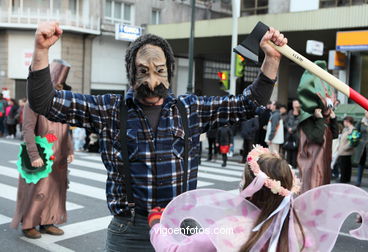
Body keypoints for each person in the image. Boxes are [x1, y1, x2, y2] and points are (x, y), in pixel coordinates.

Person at [27, 21, 286, 251]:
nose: (152, 81)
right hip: (129, 231)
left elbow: (249, 104)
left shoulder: (190, 110)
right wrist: (41, 51)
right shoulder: (108, 110)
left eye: (159, 70)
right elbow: (44, 102)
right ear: (130, 72)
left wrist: (271, 59)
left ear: (170, 71)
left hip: (181, 228)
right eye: (143, 71)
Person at [148, 145, 368, 251]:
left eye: (243, 181)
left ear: (251, 188)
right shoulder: (300, 232)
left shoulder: (228, 229)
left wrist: (157, 224)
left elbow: (174, 250)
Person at [11, 60, 74, 239]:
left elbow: (65, 129)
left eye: (62, 84)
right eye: (58, 83)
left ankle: (48, 222)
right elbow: (28, 129)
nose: (60, 87)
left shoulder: (63, 103)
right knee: (35, 190)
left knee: (55, 190)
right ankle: (29, 223)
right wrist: (33, 154)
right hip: (40, 154)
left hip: (59, 156)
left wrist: (70, 150)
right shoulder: (33, 102)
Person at [296, 60, 339, 193]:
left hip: (324, 164)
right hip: (312, 166)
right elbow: (317, 138)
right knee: (311, 191)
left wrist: (333, 119)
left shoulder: (326, 116)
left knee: (322, 190)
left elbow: (335, 134)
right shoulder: (307, 118)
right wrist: (320, 119)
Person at [284, 99, 300, 168]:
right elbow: (286, 122)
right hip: (289, 134)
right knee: (288, 149)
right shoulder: (290, 112)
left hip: (296, 134)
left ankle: (294, 165)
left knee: (295, 150)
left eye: (296, 103)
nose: (294, 105)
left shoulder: (301, 113)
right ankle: (289, 165)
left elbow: (299, 124)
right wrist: (288, 128)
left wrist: (293, 129)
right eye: (293, 104)